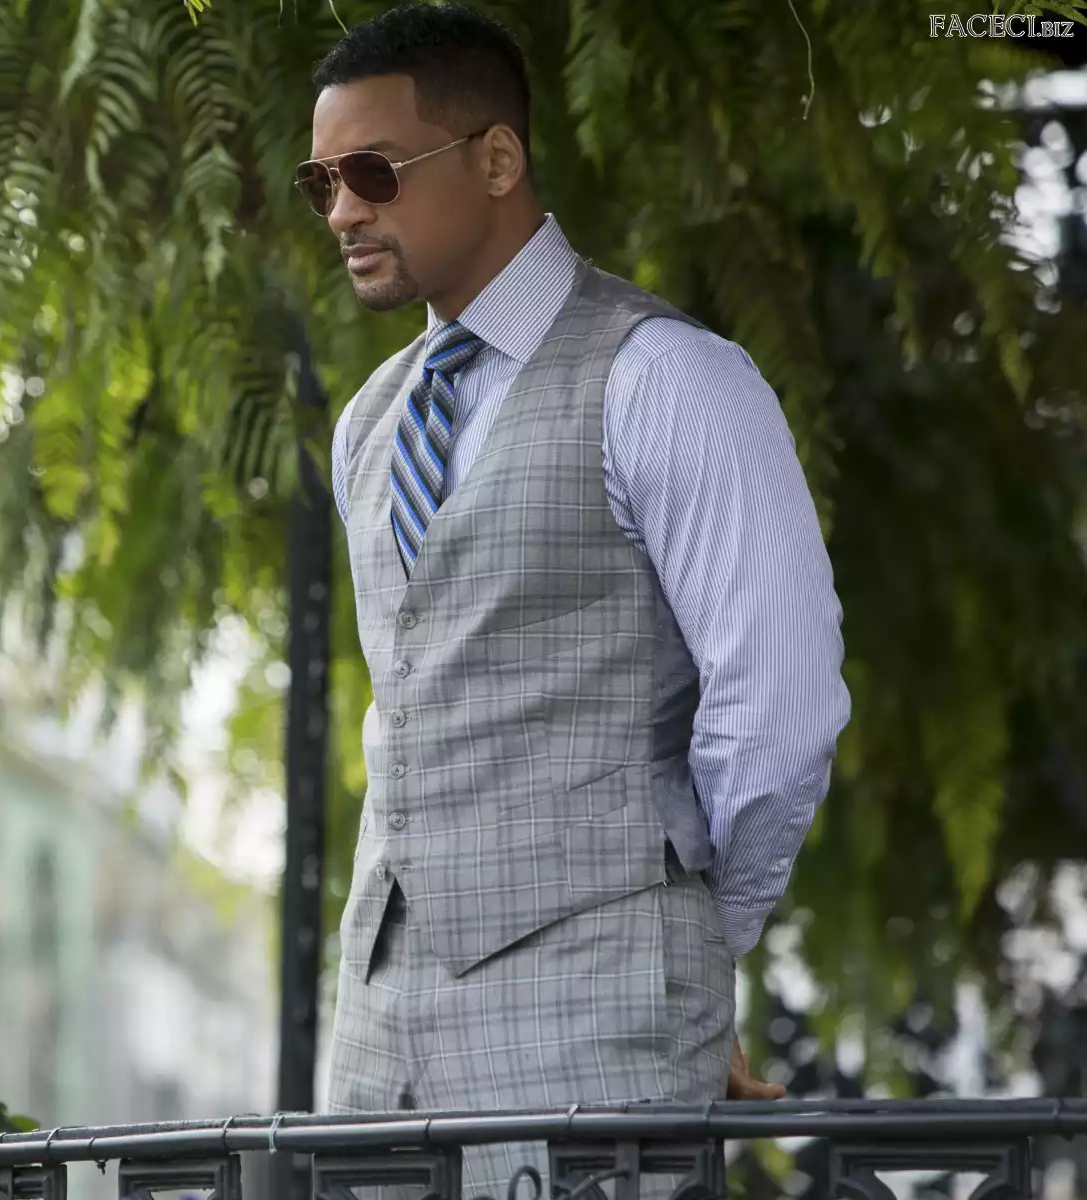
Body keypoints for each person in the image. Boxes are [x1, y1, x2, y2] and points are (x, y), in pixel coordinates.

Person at [304, 3, 850, 1193]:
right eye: (322, 183)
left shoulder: (667, 379)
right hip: (379, 1050)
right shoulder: (367, 426)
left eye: (372, 173)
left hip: (600, 1030)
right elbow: (414, 705)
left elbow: (781, 707)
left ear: (497, 159)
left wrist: (694, 954)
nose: (342, 211)